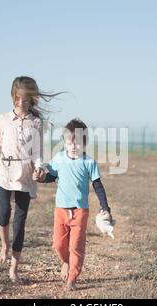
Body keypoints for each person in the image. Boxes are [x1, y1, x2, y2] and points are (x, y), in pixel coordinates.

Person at [0, 76, 63, 283]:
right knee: (4, 212)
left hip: (26, 175)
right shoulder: (3, 119)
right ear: (13, 97)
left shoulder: (37, 122)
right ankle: (4, 245)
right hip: (5, 172)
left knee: (20, 223)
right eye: (18, 98)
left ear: (32, 99)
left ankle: (14, 268)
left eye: (25, 99)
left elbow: (39, 152)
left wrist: (39, 168)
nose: (21, 103)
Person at [33, 118, 113, 291]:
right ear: (65, 141)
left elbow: (98, 187)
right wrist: (41, 178)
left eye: (78, 143)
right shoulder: (59, 158)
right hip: (60, 210)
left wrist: (105, 208)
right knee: (59, 245)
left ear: (84, 143)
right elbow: (51, 177)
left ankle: (72, 278)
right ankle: (66, 262)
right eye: (70, 142)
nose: (74, 146)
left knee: (75, 246)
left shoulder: (89, 163)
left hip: (80, 211)